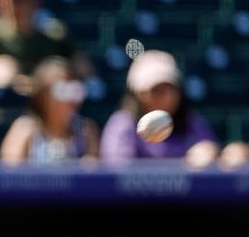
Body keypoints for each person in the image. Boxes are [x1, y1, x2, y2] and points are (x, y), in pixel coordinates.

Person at [99, 49, 232, 168]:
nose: (166, 97)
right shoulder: (122, 124)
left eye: (171, 88)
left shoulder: (191, 122)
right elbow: (119, 173)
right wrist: (184, 166)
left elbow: (211, 155)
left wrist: (213, 154)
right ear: (139, 94)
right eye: (157, 90)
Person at [0, 55, 100, 164]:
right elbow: (10, 173)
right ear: (42, 95)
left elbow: (92, 175)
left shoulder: (86, 131)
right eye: (62, 90)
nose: (69, 99)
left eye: (73, 89)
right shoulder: (25, 129)